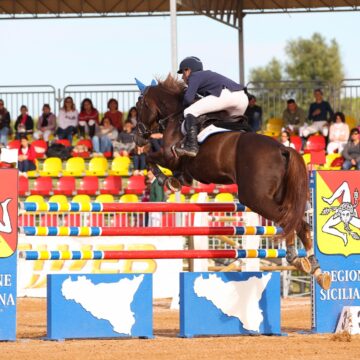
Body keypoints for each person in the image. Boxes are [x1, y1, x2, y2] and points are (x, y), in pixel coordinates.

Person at [175, 56, 248, 157]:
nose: (183, 77)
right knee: (228, 129)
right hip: (242, 98)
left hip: (227, 95)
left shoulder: (194, 76)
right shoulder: (205, 76)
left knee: (189, 111)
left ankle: (192, 146)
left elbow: (188, 99)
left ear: (188, 70)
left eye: (183, 73)